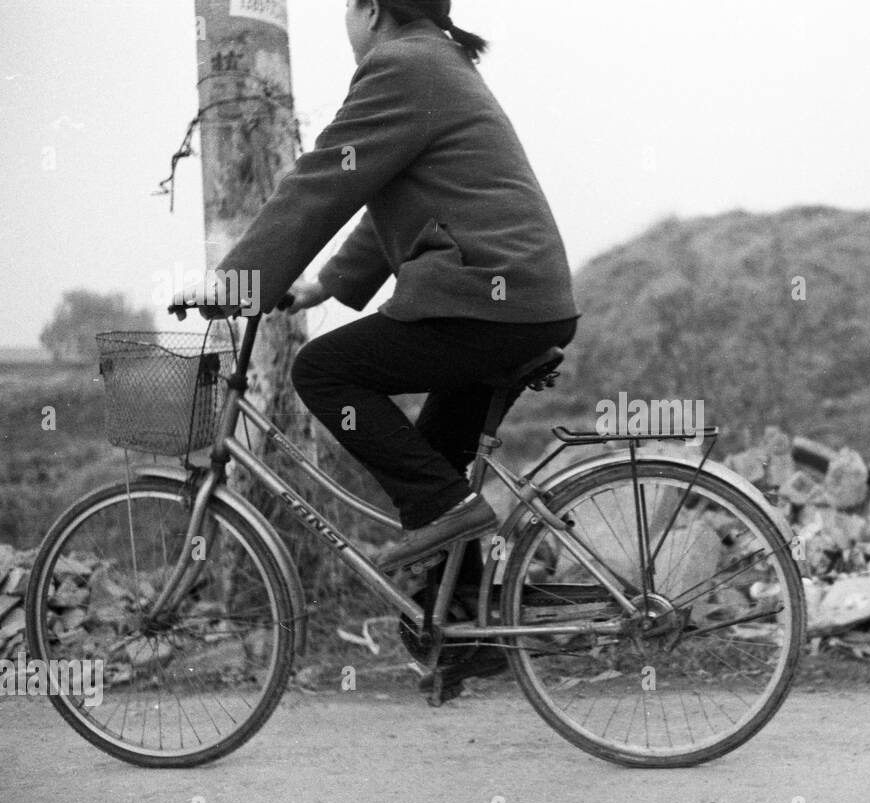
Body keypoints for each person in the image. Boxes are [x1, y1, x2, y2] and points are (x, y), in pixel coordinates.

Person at [176, 0, 579, 693]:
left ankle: (451, 519)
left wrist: (238, 282)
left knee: (325, 371)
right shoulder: (434, 61)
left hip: (488, 296)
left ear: (372, 10)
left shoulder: (402, 66)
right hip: (520, 300)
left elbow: (322, 181)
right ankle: (464, 631)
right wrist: (323, 285)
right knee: (438, 458)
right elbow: (389, 189)